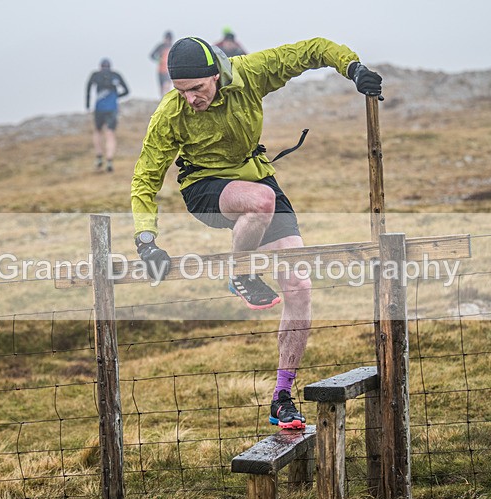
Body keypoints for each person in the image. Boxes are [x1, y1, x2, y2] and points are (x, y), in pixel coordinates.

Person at [130, 37, 382, 429]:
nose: (191, 98)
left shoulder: (250, 74)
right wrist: (146, 240)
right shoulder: (171, 112)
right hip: (206, 191)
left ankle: (283, 397)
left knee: (299, 286)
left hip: (257, 181)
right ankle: (241, 273)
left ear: (217, 74)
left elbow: (312, 49)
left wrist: (353, 68)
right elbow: (146, 175)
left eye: (197, 88)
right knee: (260, 201)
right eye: (181, 91)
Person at [85, 58, 129, 172]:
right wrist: (116, 97)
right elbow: (127, 91)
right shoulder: (115, 75)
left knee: (98, 131)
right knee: (110, 134)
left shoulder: (95, 75)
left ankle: (99, 157)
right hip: (112, 108)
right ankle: (109, 159)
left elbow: (88, 89)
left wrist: (87, 104)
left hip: (99, 108)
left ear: (100, 66)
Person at [149, 31, 174, 96]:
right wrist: (159, 60)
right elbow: (152, 55)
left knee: (167, 85)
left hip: (168, 70)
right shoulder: (160, 46)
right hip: (160, 70)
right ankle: (162, 99)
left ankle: (167, 98)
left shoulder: (172, 47)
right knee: (161, 86)